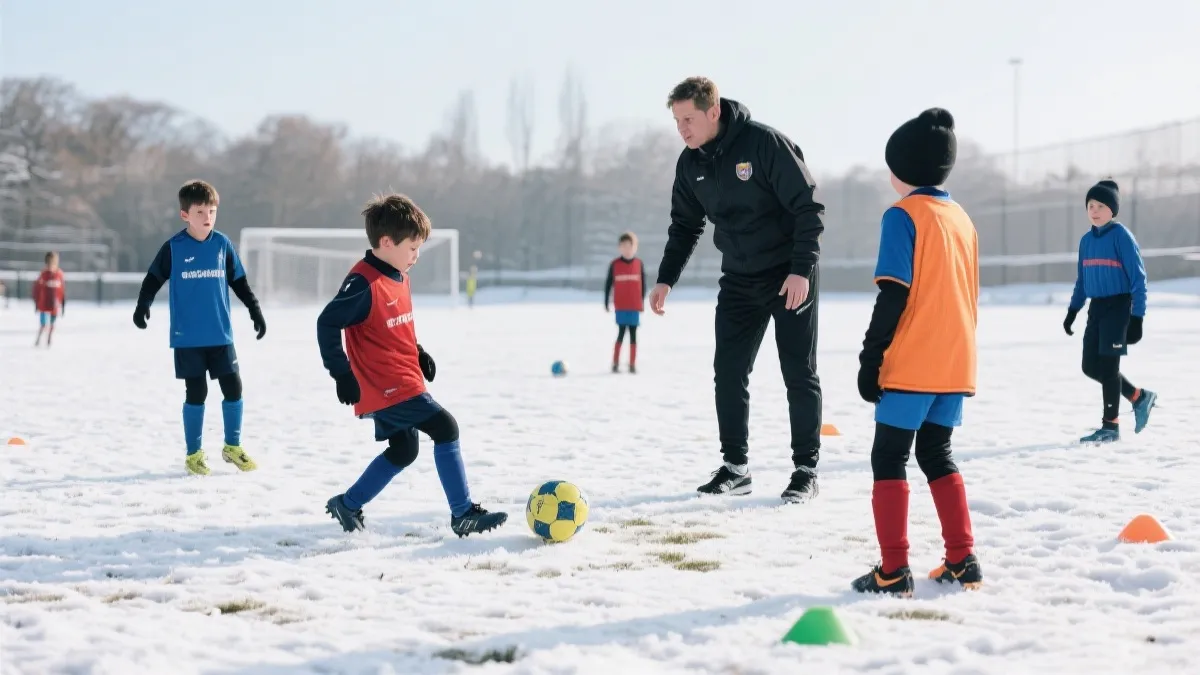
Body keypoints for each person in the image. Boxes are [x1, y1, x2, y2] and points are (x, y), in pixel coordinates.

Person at [648, 76, 825, 502]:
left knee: (797, 372)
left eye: (688, 118)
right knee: (728, 371)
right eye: (676, 121)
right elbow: (685, 226)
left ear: (714, 111)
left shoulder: (764, 145)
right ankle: (735, 467)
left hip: (788, 275)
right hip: (739, 279)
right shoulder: (690, 164)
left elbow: (808, 209)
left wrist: (801, 269)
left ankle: (805, 470)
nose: (682, 129)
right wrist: (665, 278)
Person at [317, 193, 508, 537]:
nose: (417, 256)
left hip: (402, 376)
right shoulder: (363, 283)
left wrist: (418, 351)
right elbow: (326, 323)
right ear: (386, 242)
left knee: (404, 450)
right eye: (413, 248)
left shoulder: (398, 275)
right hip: (386, 384)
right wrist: (341, 373)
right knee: (446, 428)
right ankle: (463, 514)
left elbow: (391, 324)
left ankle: (347, 504)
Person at [852, 108, 982, 596]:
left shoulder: (902, 215)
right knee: (936, 452)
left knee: (888, 457)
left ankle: (893, 570)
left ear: (903, 168)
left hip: (914, 359)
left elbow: (894, 292)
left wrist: (871, 356)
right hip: (956, 360)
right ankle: (962, 559)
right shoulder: (961, 218)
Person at [133, 179, 266, 475]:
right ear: (185, 215)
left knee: (234, 387)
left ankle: (232, 446)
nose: (207, 217)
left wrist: (254, 309)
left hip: (221, 335)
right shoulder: (174, 248)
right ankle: (194, 454)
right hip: (188, 338)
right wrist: (143, 305)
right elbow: (153, 279)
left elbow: (239, 282)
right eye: (200, 211)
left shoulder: (223, 244)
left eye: (212, 211)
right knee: (197, 393)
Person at [1064, 179, 1156, 443]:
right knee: (1089, 365)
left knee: (1108, 364)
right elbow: (1082, 280)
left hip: (1119, 306)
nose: (1094, 210)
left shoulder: (1121, 236)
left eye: (1100, 205)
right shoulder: (1086, 241)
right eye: (1090, 205)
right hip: (1097, 307)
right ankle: (1138, 396)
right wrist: (1073, 310)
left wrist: (1137, 317)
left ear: (1112, 210)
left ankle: (1110, 427)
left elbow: (1139, 279)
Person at [604, 231, 647, 373]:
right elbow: (608, 283)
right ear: (619, 248)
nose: (627, 249)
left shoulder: (639, 264)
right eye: (624, 246)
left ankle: (632, 364)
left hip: (634, 306)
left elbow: (643, 284)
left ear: (635, 247)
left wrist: (642, 301)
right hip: (621, 306)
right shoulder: (614, 264)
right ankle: (615, 363)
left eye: (630, 246)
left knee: (634, 335)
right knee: (621, 333)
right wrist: (606, 301)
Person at [32, 251, 66, 347]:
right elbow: (37, 289)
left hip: (54, 304)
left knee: (52, 323)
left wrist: (63, 303)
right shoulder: (43, 275)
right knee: (43, 323)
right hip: (44, 303)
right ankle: (39, 338)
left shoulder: (59, 275)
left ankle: (49, 339)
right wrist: (36, 303)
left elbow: (62, 290)